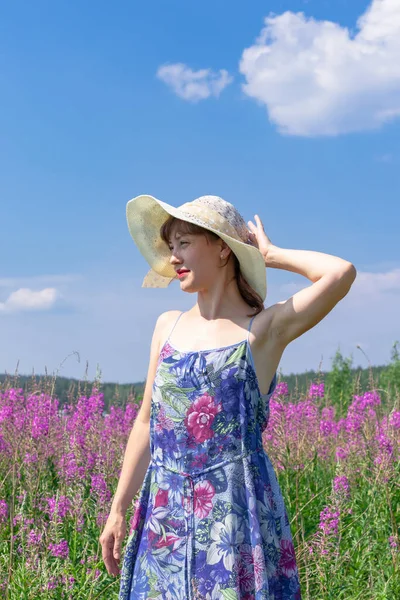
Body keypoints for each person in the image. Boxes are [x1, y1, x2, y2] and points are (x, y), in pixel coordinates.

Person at [99, 194, 357, 599]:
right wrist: (117, 509)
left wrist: (269, 255)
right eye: (171, 247)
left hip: (233, 521)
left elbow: (340, 273)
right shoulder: (166, 327)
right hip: (163, 518)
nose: (174, 258)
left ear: (222, 248)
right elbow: (147, 422)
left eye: (184, 243)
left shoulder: (263, 330)